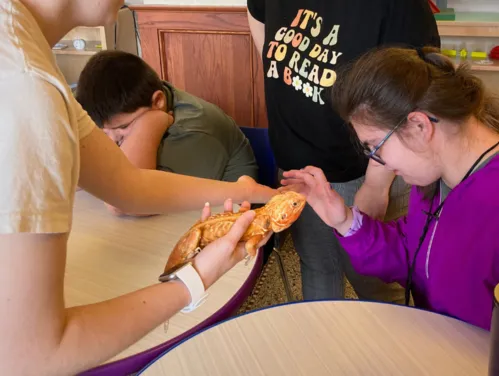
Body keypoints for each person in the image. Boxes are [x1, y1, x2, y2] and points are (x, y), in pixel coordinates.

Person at [0, 0, 275, 374]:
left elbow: (127, 184)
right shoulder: (24, 87)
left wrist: (251, 192)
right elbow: (32, 355)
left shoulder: (26, 55)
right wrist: (194, 279)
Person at [281, 46, 499, 330]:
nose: (377, 160)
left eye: (375, 146)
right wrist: (344, 220)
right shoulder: (436, 176)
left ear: (420, 126)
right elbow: (415, 253)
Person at [247, 0, 441, 302]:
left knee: (374, 282)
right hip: (297, 165)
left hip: (367, 169)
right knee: (317, 266)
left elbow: (408, 97)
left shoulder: (402, 8)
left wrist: (376, 185)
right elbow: (258, 12)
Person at [76, 50, 259, 208]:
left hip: (231, 220)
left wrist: (149, 124)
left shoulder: (192, 130)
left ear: (158, 101)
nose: (112, 140)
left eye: (123, 127)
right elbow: (74, 176)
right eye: (103, 131)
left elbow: (127, 201)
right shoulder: (143, 101)